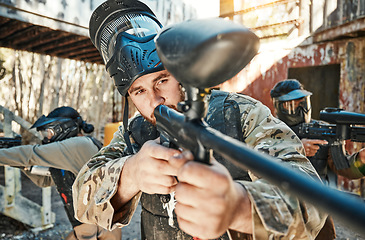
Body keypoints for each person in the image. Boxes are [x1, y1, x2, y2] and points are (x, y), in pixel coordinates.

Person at [73, 1, 330, 239]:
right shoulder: (135, 132)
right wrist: (130, 174)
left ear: (180, 74)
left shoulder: (241, 113)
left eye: (161, 80)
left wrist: (239, 206)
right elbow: (80, 201)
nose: (155, 101)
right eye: (139, 91)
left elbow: (312, 201)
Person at [0, 106, 122, 240]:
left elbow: (31, 154)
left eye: (49, 132)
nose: (47, 138)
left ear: (63, 127)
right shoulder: (71, 152)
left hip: (98, 229)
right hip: (90, 228)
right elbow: (45, 180)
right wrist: (18, 163)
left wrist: (10, 154)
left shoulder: (79, 145)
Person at [270, 79, 365, 183]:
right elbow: (259, 163)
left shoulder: (322, 129)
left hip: (315, 194)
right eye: (292, 105)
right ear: (278, 107)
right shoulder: (269, 130)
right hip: (281, 194)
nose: (300, 110)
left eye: (302, 104)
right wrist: (296, 149)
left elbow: (342, 166)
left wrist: (361, 160)